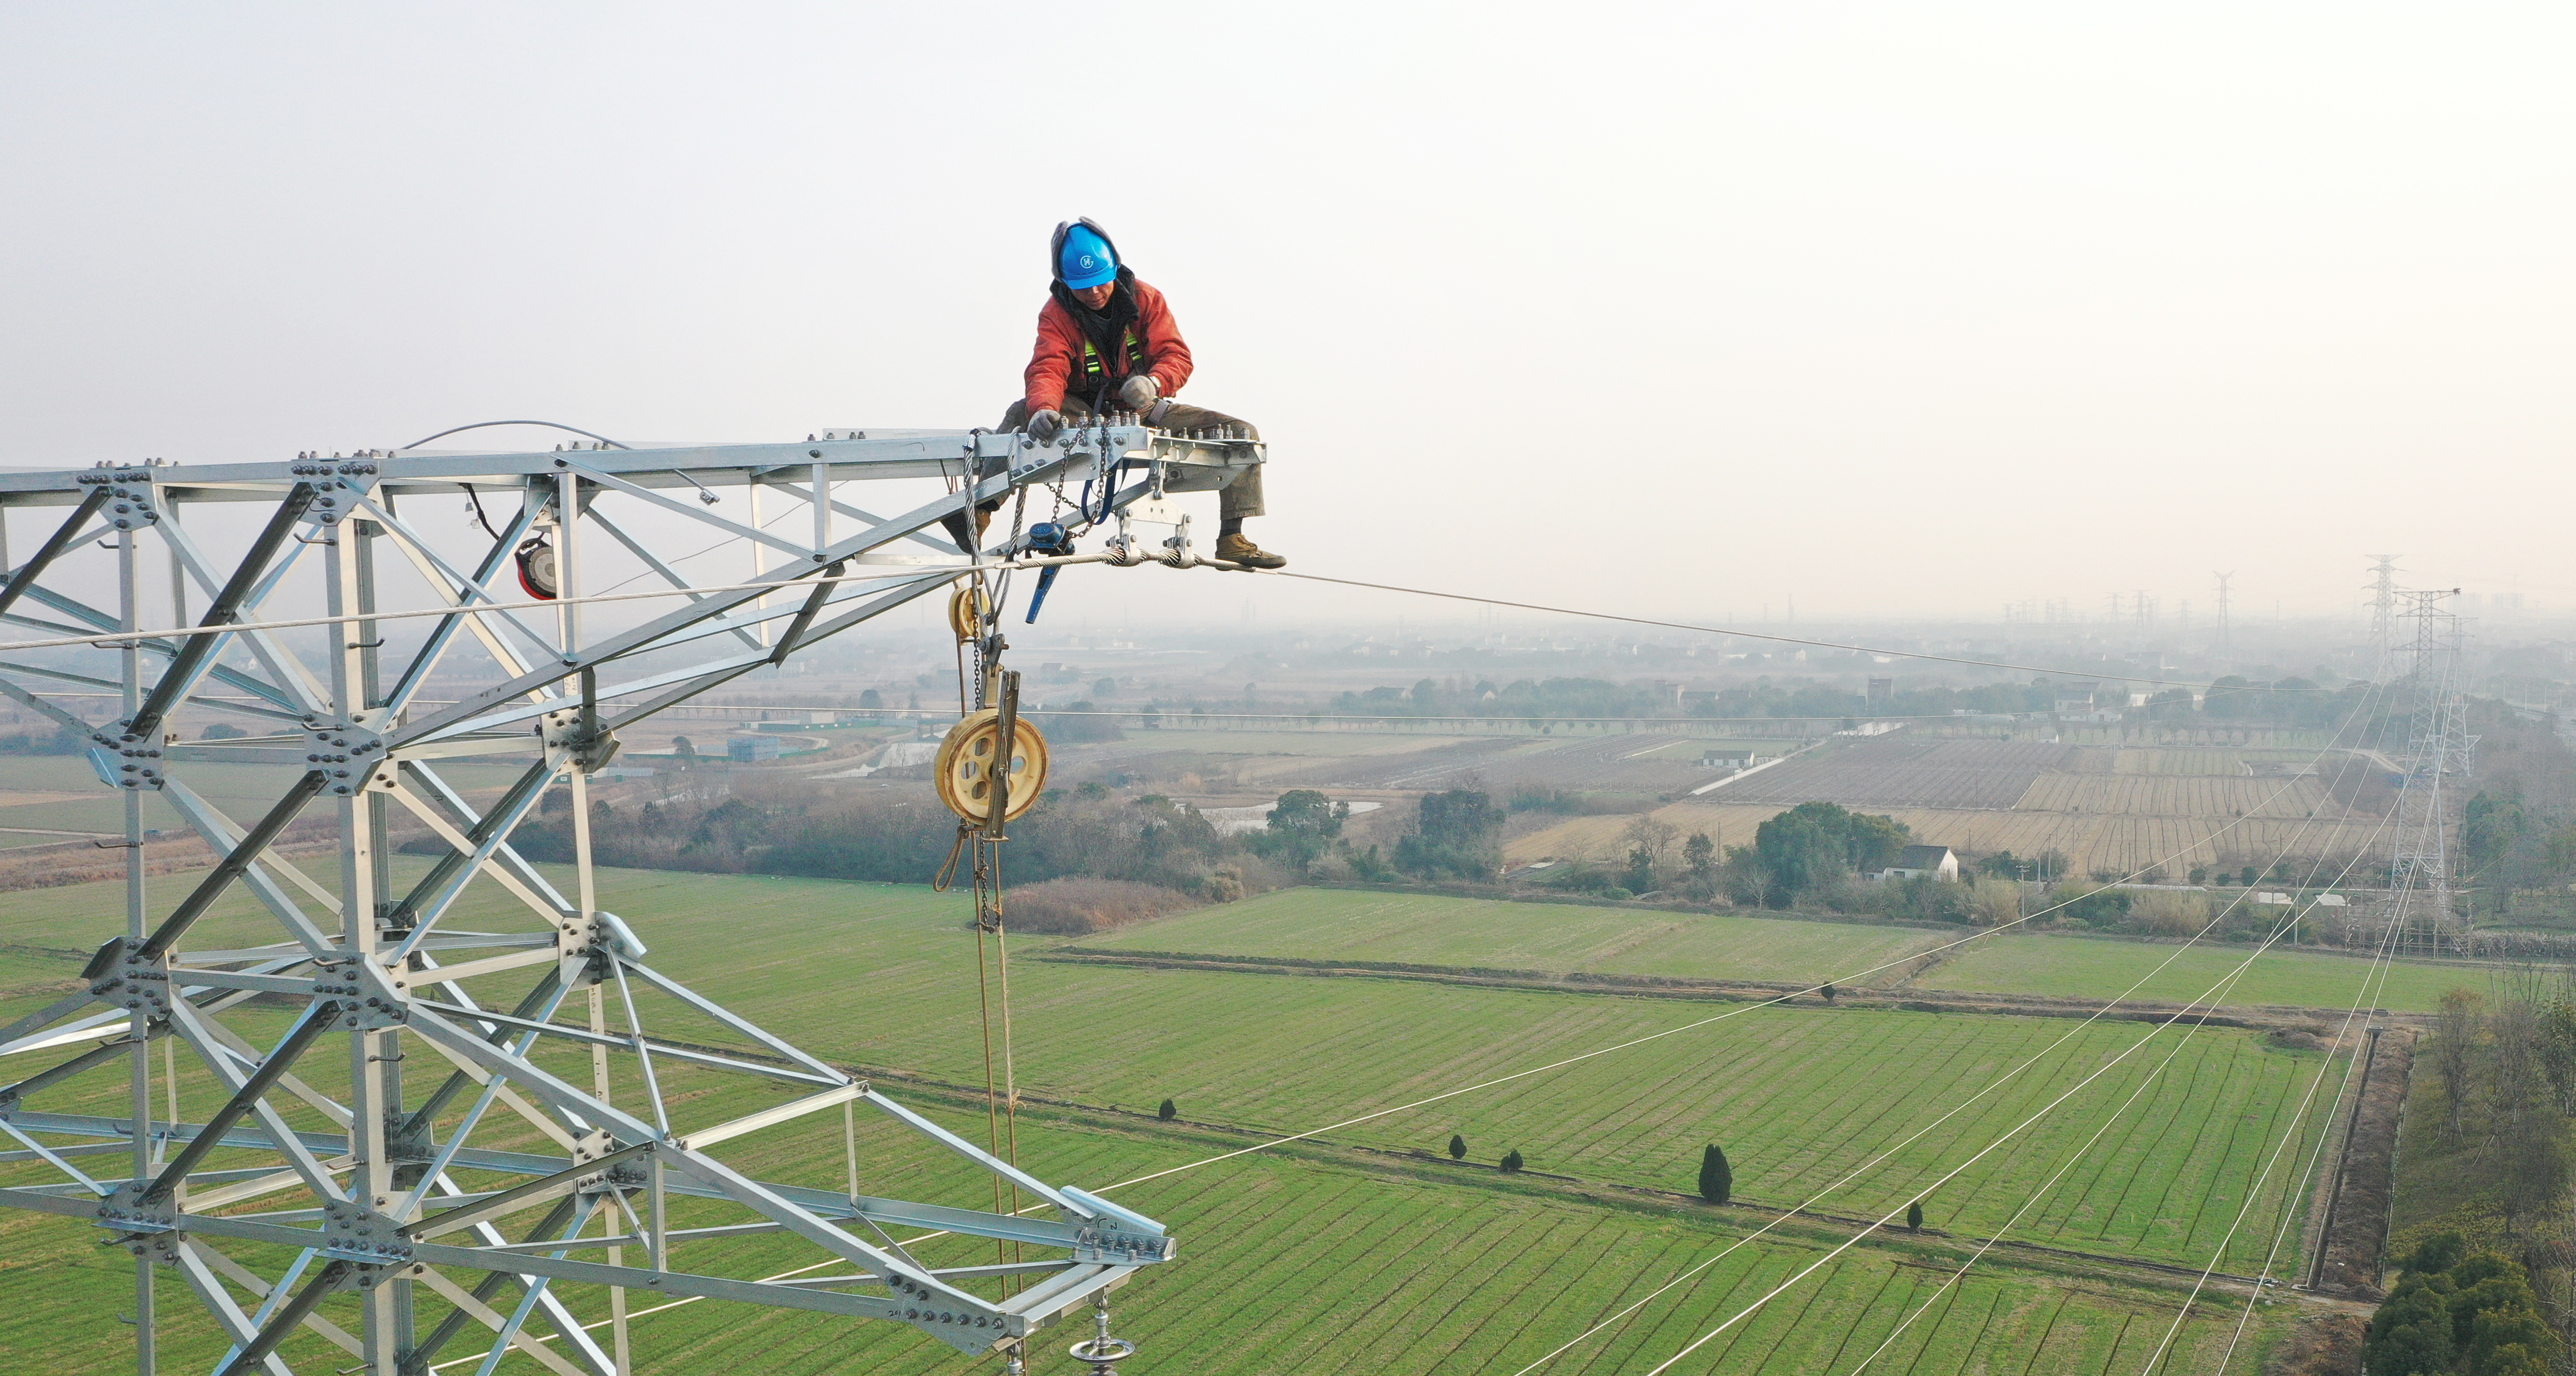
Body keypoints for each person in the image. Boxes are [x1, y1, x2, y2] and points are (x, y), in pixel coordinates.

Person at [974, 219, 1283, 569]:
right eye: (1081, 287)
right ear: (1065, 283)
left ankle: (1232, 537)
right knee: (1022, 414)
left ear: (1114, 269)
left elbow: (1175, 355)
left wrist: (1154, 382)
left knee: (1242, 435)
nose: (1092, 294)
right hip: (1084, 410)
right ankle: (979, 512)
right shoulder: (1057, 314)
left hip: (1144, 409)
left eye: (1098, 283)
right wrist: (1044, 409)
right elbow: (1048, 367)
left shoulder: (1146, 299)